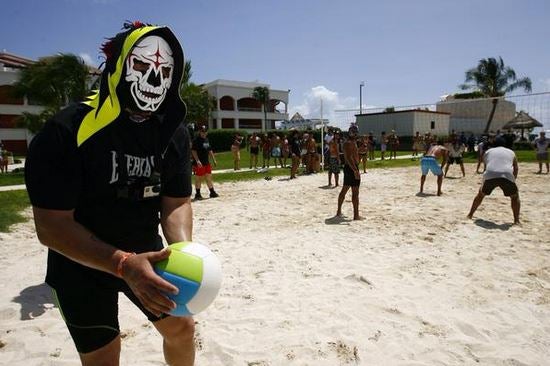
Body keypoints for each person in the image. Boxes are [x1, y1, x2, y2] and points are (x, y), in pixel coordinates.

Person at [24, 22, 197, 365]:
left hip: (147, 254)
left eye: (164, 71)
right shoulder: (68, 129)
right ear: (117, 67)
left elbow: (176, 202)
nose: (154, 81)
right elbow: (51, 226)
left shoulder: (172, 132)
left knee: (182, 329)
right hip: (80, 262)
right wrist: (121, 264)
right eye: (142, 66)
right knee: (104, 355)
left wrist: (182, 250)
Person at [467, 138, 520, 224]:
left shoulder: (488, 151)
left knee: (480, 195)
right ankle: (516, 220)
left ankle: (470, 214)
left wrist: (485, 178)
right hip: (506, 174)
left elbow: (486, 166)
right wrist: (513, 180)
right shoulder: (511, 152)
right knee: (515, 196)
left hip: (490, 173)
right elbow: (516, 168)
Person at [337, 125, 362, 220]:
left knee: (346, 189)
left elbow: (353, 155)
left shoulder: (353, 142)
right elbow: (348, 157)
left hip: (351, 168)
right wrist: (355, 170)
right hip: (351, 168)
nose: (355, 134)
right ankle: (356, 215)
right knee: (354, 192)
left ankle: (339, 211)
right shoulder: (348, 143)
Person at [191, 125, 219, 200]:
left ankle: (212, 192)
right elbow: (193, 151)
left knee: (208, 177)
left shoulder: (206, 139)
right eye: (202, 131)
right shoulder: (196, 140)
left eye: (205, 131)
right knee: (198, 178)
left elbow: (209, 150)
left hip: (206, 162)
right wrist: (197, 161)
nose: (204, 133)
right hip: (199, 163)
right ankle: (197, 194)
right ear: (200, 132)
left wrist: (214, 159)